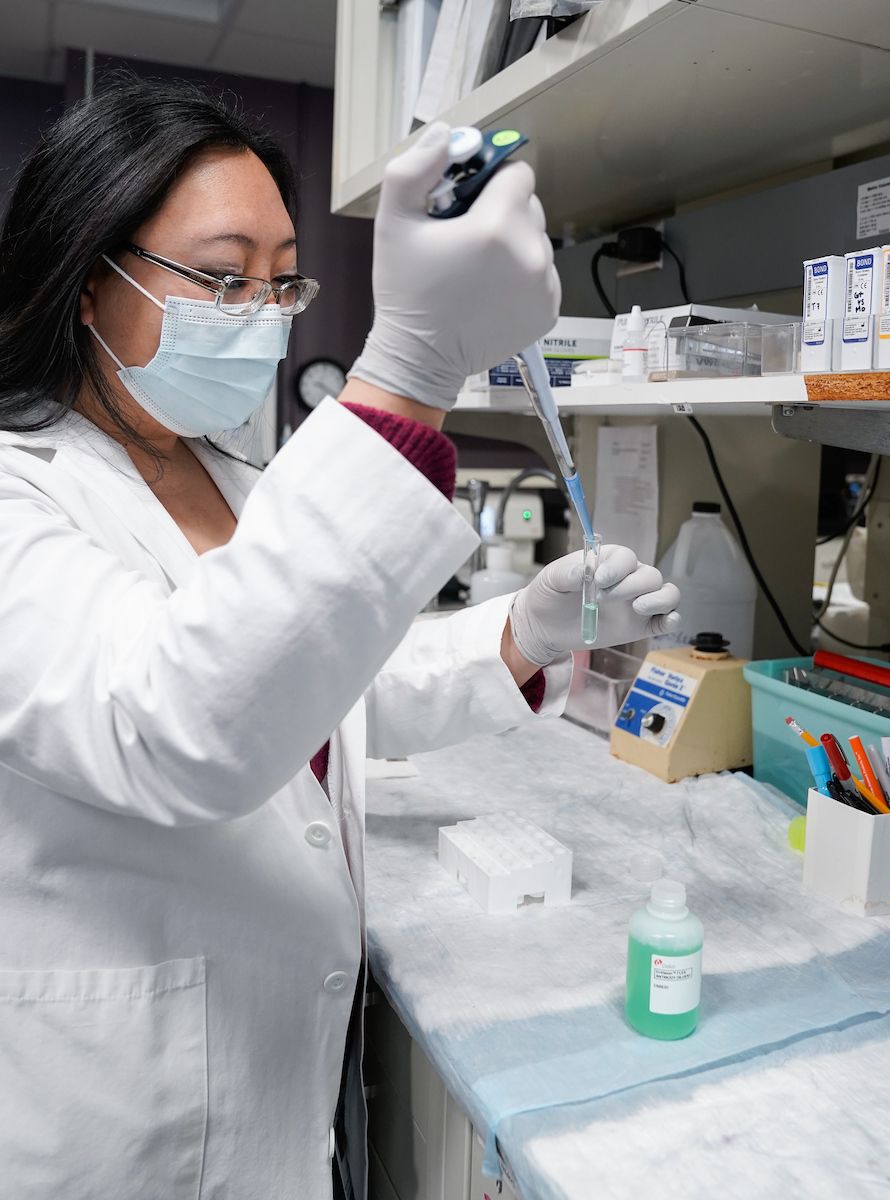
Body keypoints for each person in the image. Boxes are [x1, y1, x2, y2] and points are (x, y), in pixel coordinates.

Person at [0, 78, 679, 1200]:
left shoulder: (225, 467)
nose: (262, 313)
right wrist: (409, 370)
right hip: (116, 1116)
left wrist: (518, 631)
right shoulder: (18, 490)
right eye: (223, 277)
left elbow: (313, 686)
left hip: (268, 1066)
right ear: (87, 279)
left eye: (280, 280)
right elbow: (175, 717)